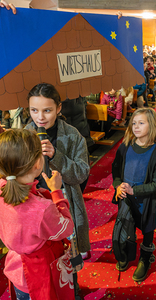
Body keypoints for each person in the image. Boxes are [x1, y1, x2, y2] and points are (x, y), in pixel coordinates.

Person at [0, 129, 74, 300]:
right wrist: (56, 192)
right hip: (38, 273)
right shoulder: (42, 209)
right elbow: (66, 228)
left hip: (15, 268)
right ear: (36, 165)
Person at [25, 83, 90, 257]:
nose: (40, 117)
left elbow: (82, 172)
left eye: (47, 110)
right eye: (34, 110)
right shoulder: (24, 136)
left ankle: (73, 282)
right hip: (33, 204)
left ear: (58, 108)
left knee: (70, 253)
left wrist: (56, 156)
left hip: (64, 199)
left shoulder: (72, 135)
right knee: (45, 255)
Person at [112, 108, 156, 282]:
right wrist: (118, 185)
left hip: (146, 201)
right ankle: (127, 253)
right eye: (134, 123)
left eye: (141, 123)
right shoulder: (125, 146)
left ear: (151, 126)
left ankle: (145, 257)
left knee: (147, 230)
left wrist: (136, 190)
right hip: (126, 198)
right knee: (127, 226)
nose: (136, 127)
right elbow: (116, 169)